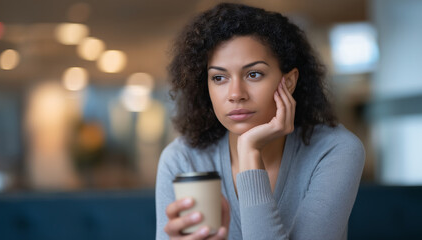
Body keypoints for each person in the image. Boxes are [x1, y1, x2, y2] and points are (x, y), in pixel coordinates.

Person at [155, 3, 365, 240]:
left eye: (253, 74)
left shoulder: (334, 150)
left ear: (289, 82)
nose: (236, 93)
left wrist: (249, 152)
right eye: (219, 77)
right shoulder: (182, 159)